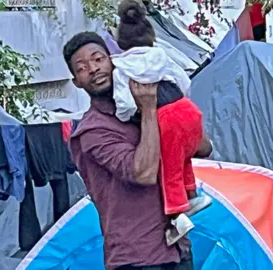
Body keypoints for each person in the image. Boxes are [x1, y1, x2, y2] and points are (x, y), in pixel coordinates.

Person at [63, 31, 212, 270]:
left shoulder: (135, 104)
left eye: (98, 59)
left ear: (113, 61)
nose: (93, 69)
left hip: (177, 249)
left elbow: (204, 148)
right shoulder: (92, 131)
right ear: (77, 82)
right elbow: (143, 173)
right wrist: (150, 109)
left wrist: (174, 108)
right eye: (81, 68)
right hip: (137, 257)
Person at [113, 0, 212, 245]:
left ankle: (178, 211)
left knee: (168, 165)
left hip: (165, 118)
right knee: (182, 157)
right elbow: (185, 83)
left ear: (120, 41)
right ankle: (192, 193)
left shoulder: (121, 67)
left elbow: (124, 104)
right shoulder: (162, 56)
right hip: (187, 110)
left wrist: (127, 116)